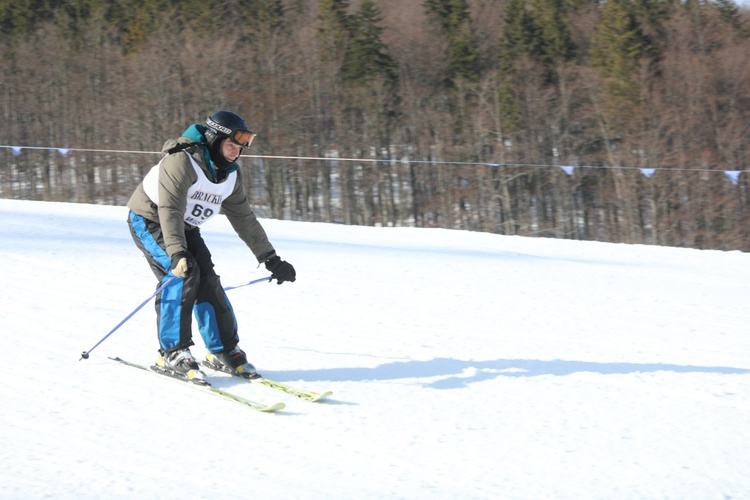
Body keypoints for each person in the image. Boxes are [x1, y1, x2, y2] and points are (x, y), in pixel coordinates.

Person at [126, 110, 295, 382]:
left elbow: (245, 220)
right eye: (231, 145)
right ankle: (173, 351)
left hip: (186, 226)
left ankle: (223, 349)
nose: (236, 153)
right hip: (151, 220)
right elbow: (169, 210)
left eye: (240, 147)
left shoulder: (229, 175)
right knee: (182, 274)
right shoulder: (181, 162)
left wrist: (270, 258)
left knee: (208, 279)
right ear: (215, 140)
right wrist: (178, 253)